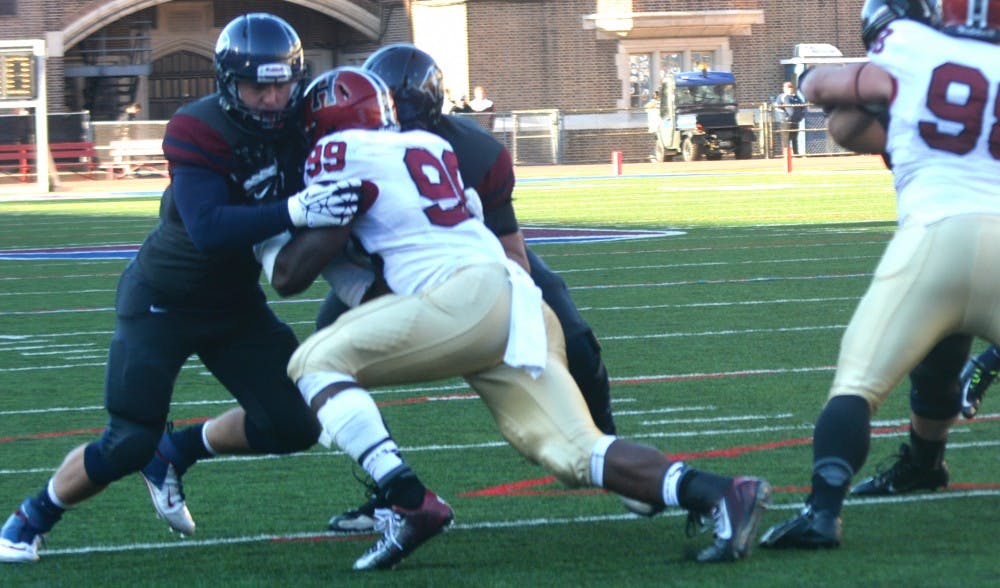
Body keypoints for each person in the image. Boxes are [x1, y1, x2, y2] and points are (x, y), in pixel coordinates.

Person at [258, 66, 772, 570]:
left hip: (464, 299)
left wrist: (274, 221)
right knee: (575, 453)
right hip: (520, 302)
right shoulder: (430, 146)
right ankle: (721, 493)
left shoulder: (336, 149)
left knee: (314, 361)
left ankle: (407, 500)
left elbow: (301, 259)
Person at [0, 13, 363, 564]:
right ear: (228, 84)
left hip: (234, 304)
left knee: (296, 423)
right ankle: (30, 518)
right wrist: (293, 209)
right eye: (257, 87)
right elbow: (208, 228)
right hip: (162, 300)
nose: (271, 99)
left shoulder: (303, 125)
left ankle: (177, 451)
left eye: (281, 85)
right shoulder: (198, 126)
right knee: (129, 440)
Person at [319, 43, 624, 533]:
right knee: (329, 352)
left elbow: (512, 255)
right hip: (389, 264)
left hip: (474, 256)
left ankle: (608, 445)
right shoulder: (346, 149)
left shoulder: (477, 153)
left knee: (571, 333)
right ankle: (391, 492)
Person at [760, 0, 1000, 549]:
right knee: (940, 356)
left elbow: (832, 105)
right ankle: (924, 463)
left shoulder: (914, 47)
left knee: (856, 385)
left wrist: (817, 78)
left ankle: (822, 513)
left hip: (934, 239)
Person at [775, 81, 806, 155]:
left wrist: (800, 116)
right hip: (786, 122)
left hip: (795, 121)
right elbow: (777, 107)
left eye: (791, 87)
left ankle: (796, 154)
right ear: (784, 88)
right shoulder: (782, 97)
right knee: (786, 139)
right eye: (788, 87)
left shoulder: (796, 97)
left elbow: (803, 107)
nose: (790, 88)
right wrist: (785, 117)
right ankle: (787, 155)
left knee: (794, 139)